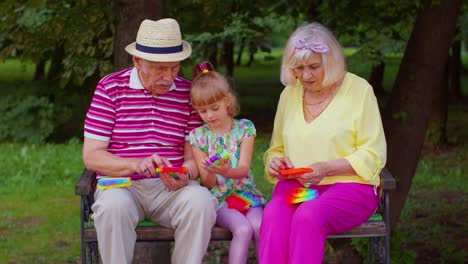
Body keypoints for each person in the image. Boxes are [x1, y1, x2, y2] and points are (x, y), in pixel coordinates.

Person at [82, 18, 217, 264]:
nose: (168, 76)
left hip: (171, 191)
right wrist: (136, 165)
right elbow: (92, 156)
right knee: (112, 207)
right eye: (159, 69)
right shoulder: (110, 88)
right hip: (122, 186)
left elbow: (193, 160)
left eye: (174, 68)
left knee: (201, 202)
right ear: (137, 61)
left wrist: (185, 174)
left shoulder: (189, 94)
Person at [259, 22, 387, 264]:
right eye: (299, 68)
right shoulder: (289, 94)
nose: (305, 75)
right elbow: (275, 149)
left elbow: (374, 153)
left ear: (331, 62)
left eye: (314, 67)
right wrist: (274, 163)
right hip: (298, 187)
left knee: (309, 215)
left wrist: (327, 169)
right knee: (274, 215)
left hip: (350, 187)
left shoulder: (359, 90)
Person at [188, 62, 265, 263]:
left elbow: (243, 169)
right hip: (220, 200)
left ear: (228, 101)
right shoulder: (198, 137)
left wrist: (226, 170)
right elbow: (207, 184)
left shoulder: (244, 129)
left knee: (259, 226)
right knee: (243, 228)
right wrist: (212, 171)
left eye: (214, 108)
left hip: (246, 194)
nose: (210, 116)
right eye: (203, 111)